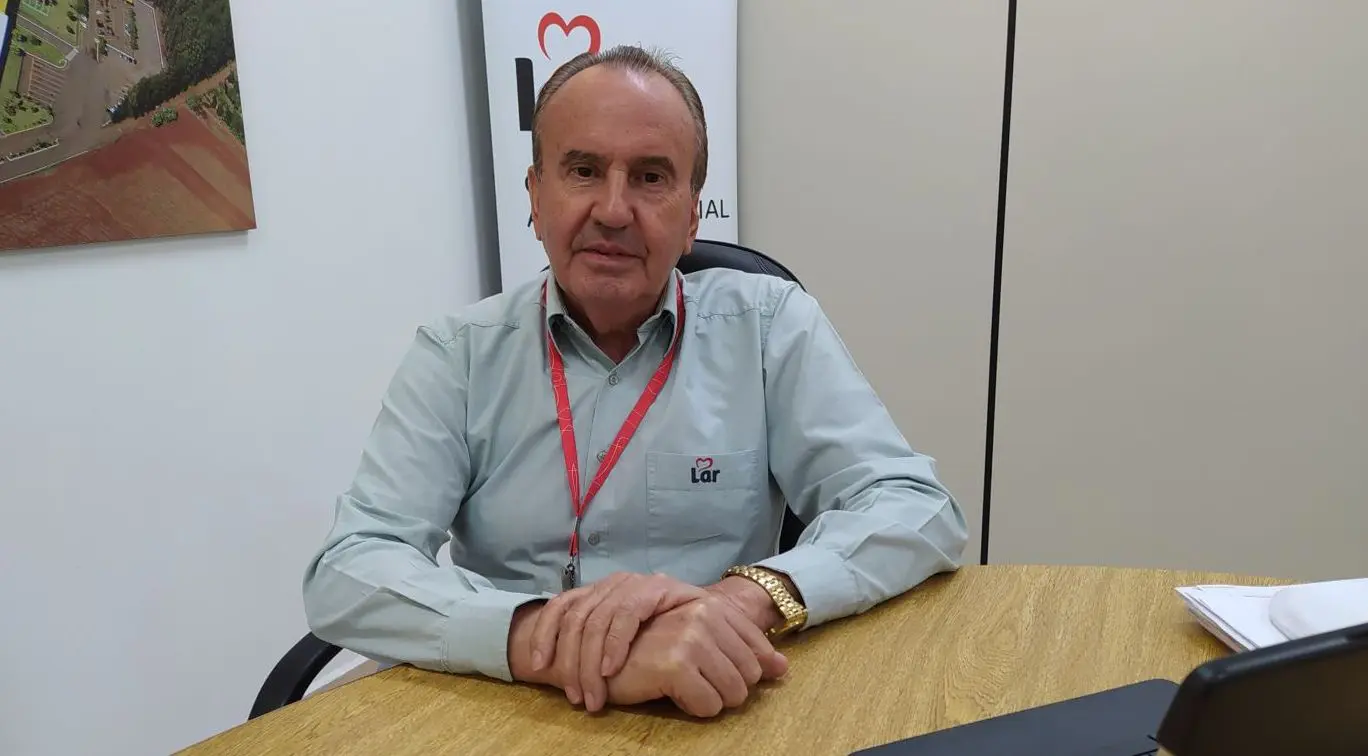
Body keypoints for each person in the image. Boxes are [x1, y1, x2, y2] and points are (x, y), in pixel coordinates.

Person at [302, 44, 968, 719]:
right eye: (583, 170)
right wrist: (551, 642)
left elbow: (916, 507)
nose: (614, 210)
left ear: (692, 216)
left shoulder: (770, 329)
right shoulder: (459, 356)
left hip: (719, 699)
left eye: (651, 177)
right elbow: (349, 569)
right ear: (535, 197)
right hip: (512, 707)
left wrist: (737, 602)